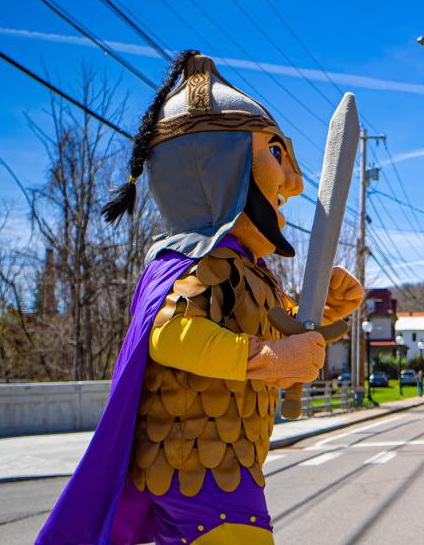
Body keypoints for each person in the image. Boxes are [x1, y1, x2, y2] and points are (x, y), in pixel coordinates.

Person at [37, 53, 362, 545]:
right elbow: (171, 335)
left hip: (219, 464)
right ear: (220, 166)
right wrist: (270, 359)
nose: (294, 183)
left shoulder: (245, 270)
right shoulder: (193, 264)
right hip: (196, 466)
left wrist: (321, 312)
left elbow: (265, 323)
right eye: (276, 154)